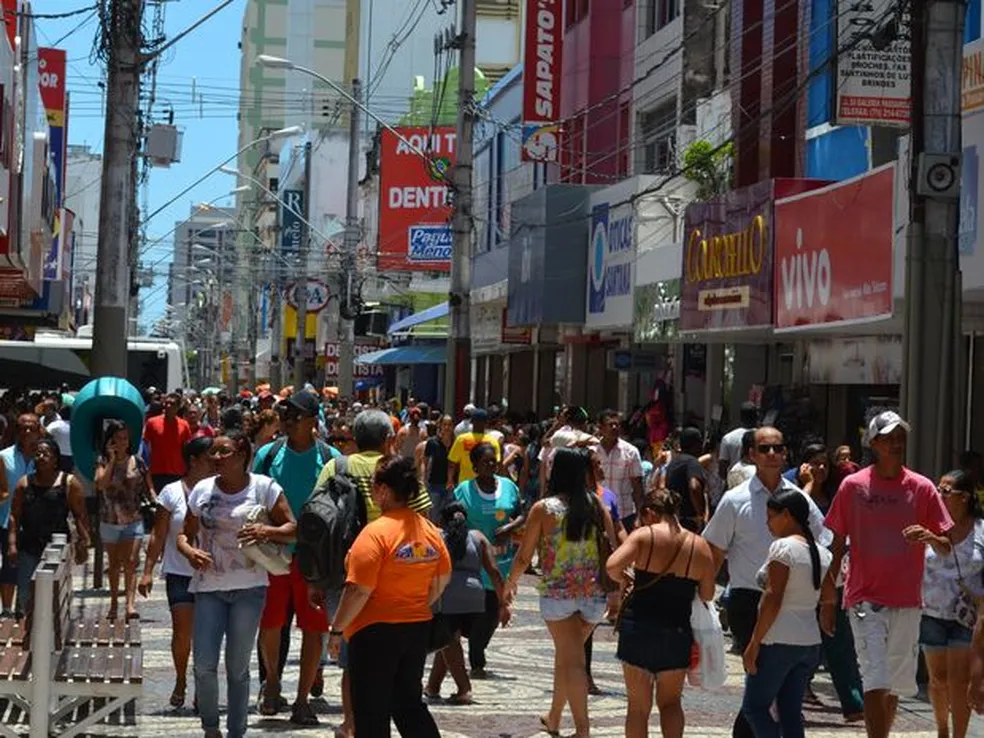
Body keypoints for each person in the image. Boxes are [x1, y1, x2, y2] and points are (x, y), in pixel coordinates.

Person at [821, 411, 953, 738]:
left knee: (893, 684)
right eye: (889, 438)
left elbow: (947, 545)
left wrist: (930, 537)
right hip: (865, 597)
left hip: (907, 600)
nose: (896, 443)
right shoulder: (853, 486)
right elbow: (836, 544)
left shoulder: (922, 487)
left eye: (900, 437)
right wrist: (826, 597)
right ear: (874, 443)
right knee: (874, 678)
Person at [311, 410, 432, 738]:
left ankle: (352, 722)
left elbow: (318, 520)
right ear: (387, 439)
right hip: (398, 579)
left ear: (353, 436)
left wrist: (316, 579)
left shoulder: (336, 467)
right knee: (395, 676)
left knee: (355, 659)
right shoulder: (398, 472)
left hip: (343, 573)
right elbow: (424, 517)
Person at [703, 426, 830, 738]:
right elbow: (714, 550)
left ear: (786, 453)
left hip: (795, 603)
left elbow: (823, 542)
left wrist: (828, 603)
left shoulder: (800, 499)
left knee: (773, 696)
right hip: (749, 600)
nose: (772, 454)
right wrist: (702, 596)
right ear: (751, 455)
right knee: (763, 687)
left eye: (778, 448)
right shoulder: (735, 500)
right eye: (764, 449)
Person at [177, 430, 296, 738]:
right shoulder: (202, 490)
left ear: (243, 456)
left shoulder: (265, 487)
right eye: (212, 453)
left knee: (237, 667)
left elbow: (292, 528)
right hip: (208, 589)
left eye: (223, 452)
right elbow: (183, 534)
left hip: (249, 588)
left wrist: (265, 531)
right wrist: (189, 551)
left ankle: (236, 732)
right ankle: (210, 728)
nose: (215, 458)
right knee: (203, 663)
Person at [326, 455, 451, 738]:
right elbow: (441, 578)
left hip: (373, 632)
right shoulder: (429, 531)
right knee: (408, 704)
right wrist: (412, 602)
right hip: (416, 628)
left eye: (372, 486)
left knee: (371, 712)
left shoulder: (374, 534)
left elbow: (358, 589)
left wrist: (337, 630)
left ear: (383, 490)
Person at [506, 448, 618, 738]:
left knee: (573, 662)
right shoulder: (598, 504)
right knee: (566, 658)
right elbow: (613, 549)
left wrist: (510, 584)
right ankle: (554, 717)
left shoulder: (544, 509)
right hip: (594, 597)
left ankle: (582, 729)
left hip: (559, 597)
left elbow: (523, 556)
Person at [605, 488, 716, 738]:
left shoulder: (645, 536)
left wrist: (626, 577)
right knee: (671, 703)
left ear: (649, 513)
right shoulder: (700, 545)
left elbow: (612, 566)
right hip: (676, 628)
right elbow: (708, 594)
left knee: (637, 708)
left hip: (639, 625)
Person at [252, 389, 334, 724]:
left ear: (313, 421)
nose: (287, 421)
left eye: (294, 416)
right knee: (271, 623)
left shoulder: (328, 458)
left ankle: (302, 699)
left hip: (312, 560)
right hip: (272, 555)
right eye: (284, 415)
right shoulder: (268, 455)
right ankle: (271, 683)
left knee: (313, 628)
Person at [739, 490, 832, 738]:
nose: (768, 523)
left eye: (771, 516)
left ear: (787, 515)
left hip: (778, 639)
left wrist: (754, 642)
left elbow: (773, 597)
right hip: (809, 641)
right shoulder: (822, 553)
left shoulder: (783, 548)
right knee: (790, 712)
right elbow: (829, 596)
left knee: (755, 707)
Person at [138, 435, 214, 709]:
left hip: (212, 575)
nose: (216, 462)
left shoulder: (220, 490)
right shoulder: (171, 492)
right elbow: (158, 535)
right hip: (179, 572)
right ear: (193, 461)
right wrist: (147, 571)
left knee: (207, 635)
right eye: (209, 457)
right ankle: (181, 678)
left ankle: (201, 684)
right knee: (182, 633)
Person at [919, 470, 983, 738]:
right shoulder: (928, 523)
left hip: (967, 615)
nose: (938, 494)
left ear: (965, 497)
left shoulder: (980, 529)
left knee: (959, 681)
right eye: (937, 488)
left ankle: (957, 735)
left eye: (945, 491)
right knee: (938, 679)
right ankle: (942, 729)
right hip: (931, 610)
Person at [454, 442, 524, 679]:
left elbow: (523, 513)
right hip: (474, 564)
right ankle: (476, 661)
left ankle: (476, 648)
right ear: (474, 466)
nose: (491, 465)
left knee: (493, 615)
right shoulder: (463, 490)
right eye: (485, 462)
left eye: (494, 460)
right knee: (481, 613)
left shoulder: (509, 487)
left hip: (502, 561)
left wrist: (510, 527)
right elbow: (453, 519)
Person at [425, 501, 505, 704]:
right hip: (476, 596)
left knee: (449, 640)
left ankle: (464, 689)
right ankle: (432, 686)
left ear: (442, 519)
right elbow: (495, 572)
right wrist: (503, 601)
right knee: (449, 641)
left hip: (447, 595)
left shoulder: (437, 536)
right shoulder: (478, 537)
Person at [7, 438, 90, 616]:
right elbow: (14, 515)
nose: (41, 457)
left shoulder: (69, 482)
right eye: (38, 454)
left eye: (46, 454)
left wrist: (84, 542)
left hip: (57, 547)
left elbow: (80, 515)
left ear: (55, 459)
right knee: (25, 594)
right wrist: (12, 544)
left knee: (55, 594)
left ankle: (53, 634)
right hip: (29, 545)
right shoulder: (24, 483)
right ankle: (24, 630)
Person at [94, 420, 155, 622]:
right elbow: (101, 485)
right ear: (110, 441)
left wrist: (158, 504)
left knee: (131, 562)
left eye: (125, 439)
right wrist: (112, 460)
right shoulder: (102, 461)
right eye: (117, 439)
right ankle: (113, 603)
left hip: (133, 518)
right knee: (113, 564)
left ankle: (130, 604)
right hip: (110, 519)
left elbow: (149, 487)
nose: (122, 443)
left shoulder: (137, 462)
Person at [0, 414, 40, 616]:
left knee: (33, 567)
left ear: (38, 430)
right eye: (23, 428)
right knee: (10, 566)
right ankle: (6, 610)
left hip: (36, 522)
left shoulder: (45, 457)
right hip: (7, 519)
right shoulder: (4, 457)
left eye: (31, 428)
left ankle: (26, 609)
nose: (27, 432)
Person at [595, 409, 645, 531]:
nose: (614, 428)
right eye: (610, 424)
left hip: (624, 514)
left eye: (617, 425)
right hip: (597, 513)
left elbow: (637, 486)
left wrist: (639, 516)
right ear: (600, 428)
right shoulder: (591, 451)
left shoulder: (631, 452)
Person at [143, 392, 192, 491]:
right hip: (156, 471)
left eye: (172, 404)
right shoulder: (152, 422)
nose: (168, 406)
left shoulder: (184, 425)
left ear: (178, 407)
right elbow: (145, 446)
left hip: (177, 472)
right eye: (166, 403)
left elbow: (186, 449)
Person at [664, 426, 707, 532]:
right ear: (696, 444)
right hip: (689, 521)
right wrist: (700, 516)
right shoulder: (692, 462)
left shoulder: (674, 462)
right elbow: (694, 487)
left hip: (674, 519)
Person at [447, 408, 501, 486]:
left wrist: (450, 480)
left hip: (466, 485)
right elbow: (497, 464)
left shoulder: (462, 439)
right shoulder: (492, 441)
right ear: (486, 422)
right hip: (486, 485)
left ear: (472, 422)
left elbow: (452, 463)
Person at [719, 402, 759, 482]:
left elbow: (722, 470)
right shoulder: (764, 437)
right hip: (758, 482)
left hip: (735, 481)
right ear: (757, 417)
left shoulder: (728, 438)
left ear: (741, 417)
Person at [423, 415, 453, 521]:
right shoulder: (432, 442)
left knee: (448, 518)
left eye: (449, 425)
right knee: (434, 517)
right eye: (444, 424)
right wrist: (424, 479)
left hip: (450, 486)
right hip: (434, 484)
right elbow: (425, 462)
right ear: (440, 426)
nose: (447, 427)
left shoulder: (455, 442)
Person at [45, 404, 73, 473]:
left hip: (58, 455)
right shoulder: (76, 426)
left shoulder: (55, 425)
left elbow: (44, 433)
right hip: (71, 456)